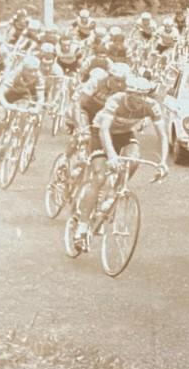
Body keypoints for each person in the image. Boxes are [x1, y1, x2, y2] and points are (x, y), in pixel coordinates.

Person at [70, 76, 169, 248]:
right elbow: (105, 130)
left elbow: (163, 135)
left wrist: (163, 162)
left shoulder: (151, 106)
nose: (139, 101)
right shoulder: (115, 100)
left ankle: (114, 193)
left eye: (143, 96)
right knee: (99, 177)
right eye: (135, 97)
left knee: (134, 159)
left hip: (124, 134)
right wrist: (112, 155)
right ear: (128, 94)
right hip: (100, 133)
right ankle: (82, 226)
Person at [0, 55, 44, 163]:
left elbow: (40, 97)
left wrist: (37, 108)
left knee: (25, 113)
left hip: (22, 96)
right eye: (30, 71)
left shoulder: (39, 77)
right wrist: (6, 105)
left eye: (35, 71)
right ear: (24, 68)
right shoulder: (14, 74)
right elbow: (0, 93)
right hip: (6, 96)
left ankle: (18, 141)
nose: (33, 74)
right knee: (3, 120)